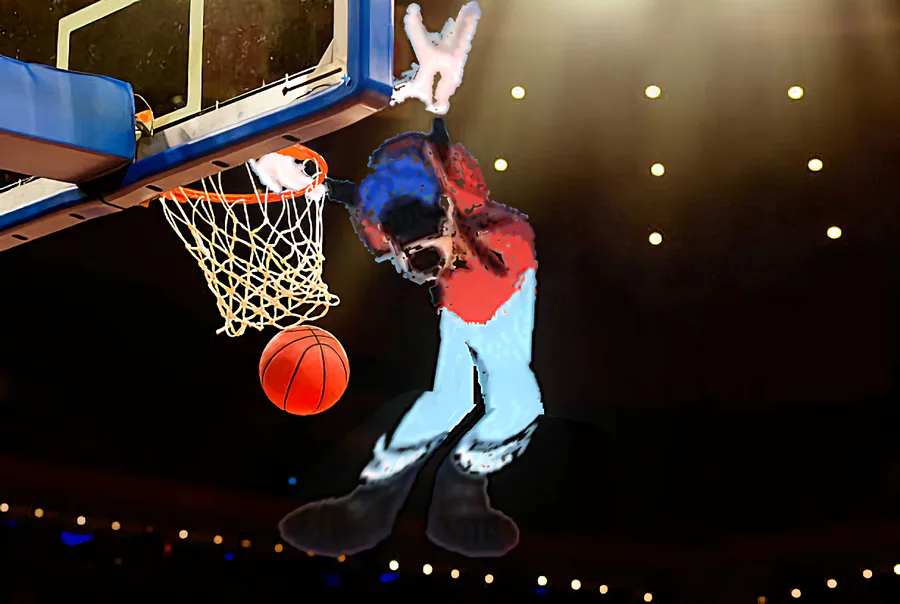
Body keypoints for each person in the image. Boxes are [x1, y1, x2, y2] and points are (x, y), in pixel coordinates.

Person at [278, 118, 543, 557]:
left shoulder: (472, 213)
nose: (426, 265)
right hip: (461, 301)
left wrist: (439, 125)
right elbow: (359, 201)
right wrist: (322, 189)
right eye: (416, 259)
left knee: (518, 401)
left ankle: (462, 482)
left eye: (428, 250)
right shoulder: (387, 227)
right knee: (451, 400)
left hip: (506, 280)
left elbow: (447, 180)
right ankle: (373, 498)